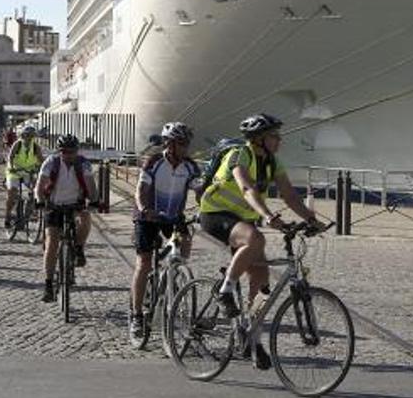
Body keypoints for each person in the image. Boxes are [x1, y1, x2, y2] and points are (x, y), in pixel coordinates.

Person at [197, 113, 320, 369]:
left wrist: (310, 219)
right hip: (215, 214)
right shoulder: (240, 154)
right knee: (255, 238)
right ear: (259, 139)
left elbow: (289, 195)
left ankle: (251, 337)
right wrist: (267, 215)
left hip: (242, 220)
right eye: (274, 136)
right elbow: (246, 188)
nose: (279, 141)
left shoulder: (273, 162)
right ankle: (225, 291)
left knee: (261, 277)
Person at [129, 122, 203, 340]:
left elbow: (200, 191)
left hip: (173, 217)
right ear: (169, 144)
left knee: (186, 239)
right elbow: (141, 190)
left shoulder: (190, 166)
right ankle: (137, 315)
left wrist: (206, 207)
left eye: (187, 144)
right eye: (181, 143)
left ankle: (176, 271)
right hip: (148, 216)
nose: (185, 148)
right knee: (143, 263)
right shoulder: (153, 162)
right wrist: (144, 208)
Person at [34, 134, 96, 303]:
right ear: (60, 151)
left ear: (77, 151)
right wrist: (39, 201)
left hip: (75, 204)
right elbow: (39, 185)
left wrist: (94, 201)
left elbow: (91, 185)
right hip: (54, 204)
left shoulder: (83, 163)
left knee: (86, 218)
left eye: (72, 151)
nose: (68, 155)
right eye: (65, 152)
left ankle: (78, 248)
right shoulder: (51, 163)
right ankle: (48, 284)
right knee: (52, 241)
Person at [4, 125, 44, 228]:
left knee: (33, 192)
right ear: (23, 135)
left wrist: (40, 169)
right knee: (12, 192)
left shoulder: (35, 147)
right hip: (14, 172)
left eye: (31, 136)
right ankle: (7, 215)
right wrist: (12, 167)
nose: (29, 138)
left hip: (28, 172)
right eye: (27, 135)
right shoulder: (17, 144)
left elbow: (41, 160)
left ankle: (29, 213)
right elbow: (10, 157)